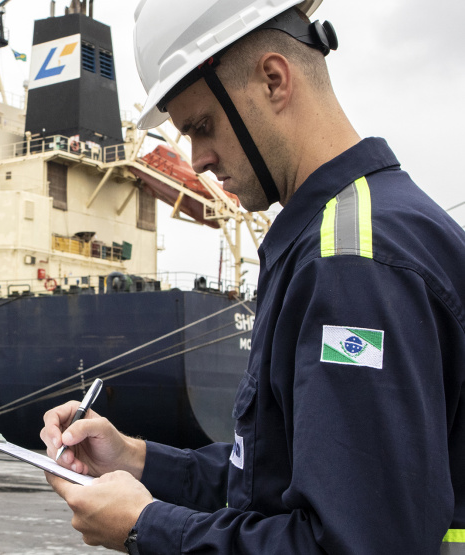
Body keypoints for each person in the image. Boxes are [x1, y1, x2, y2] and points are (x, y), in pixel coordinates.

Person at [41, 2, 465, 553]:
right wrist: (136, 459)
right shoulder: (344, 234)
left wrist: (147, 528)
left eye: (201, 126)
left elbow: (351, 543)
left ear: (273, 80)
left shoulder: (353, 262)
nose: (195, 160)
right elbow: (276, 476)